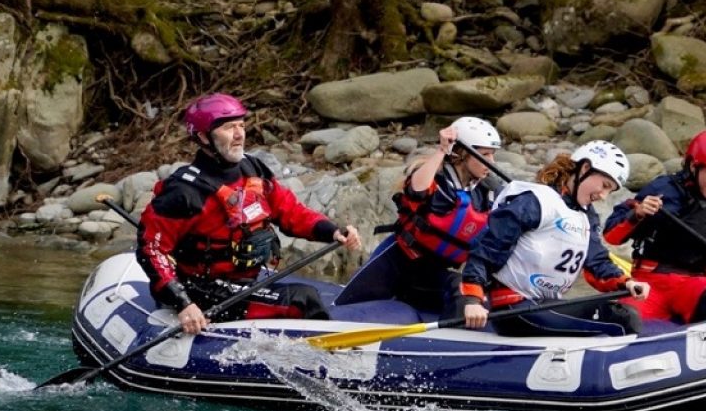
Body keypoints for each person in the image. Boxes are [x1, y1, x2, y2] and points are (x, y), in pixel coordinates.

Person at [136, 93, 362, 335]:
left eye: (241, 125)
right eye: (228, 127)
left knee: (311, 294)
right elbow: (152, 249)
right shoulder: (183, 191)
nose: (239, 134)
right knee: (303, 300)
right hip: (202, 290)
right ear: (203, 136)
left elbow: (288, 210)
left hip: (244, 282)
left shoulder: (251, 167)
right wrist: (183, 303)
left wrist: (332, 231)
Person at [456, 141, 648, 337]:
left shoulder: (585, 215)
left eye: (610, 191)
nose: (603, 195)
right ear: (585, 168)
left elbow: (596, 261)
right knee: (624, 318)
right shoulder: (535, 201)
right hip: (515, 308)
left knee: (623, 310)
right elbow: (488, 249)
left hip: (544, 304)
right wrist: (472, 300)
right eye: (604, 185)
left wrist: (627, 283)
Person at [335, 116, 501, 316]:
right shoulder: (435, 178)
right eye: (485, 155)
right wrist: (442, 150)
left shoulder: (487, 193)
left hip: (433, 270)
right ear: (462, 154)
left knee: (459, 289)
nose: (491, 162)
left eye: (493, 155)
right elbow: (417, 191)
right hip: (397, 260)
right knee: (345, 308)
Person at [603, 129, 706, 324]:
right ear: (694, 167)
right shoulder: (662, 190)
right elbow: (611, 236)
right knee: (625, 318)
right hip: (651, 282)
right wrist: (638, 213)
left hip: (694, 283)